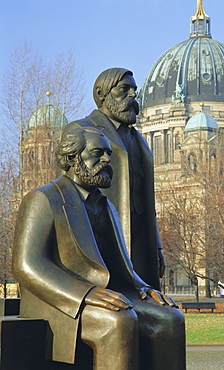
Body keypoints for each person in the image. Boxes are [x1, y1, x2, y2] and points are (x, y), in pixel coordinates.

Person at [12, 127, 185, 370]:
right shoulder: (43, 198)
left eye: (108, 154)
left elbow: (118, 264)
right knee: (118, 322)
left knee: (170, 319)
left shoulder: (106, 206)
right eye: (97, 153)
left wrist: (143, 287)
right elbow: (27, 265)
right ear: (72, 158)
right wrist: (85, 293)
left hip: (102, 295)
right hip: (59, 299)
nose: (106, 160)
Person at [63, 68, 164, 290]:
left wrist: (156, 246)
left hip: (138, 239)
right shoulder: (80, 129)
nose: (133, 95)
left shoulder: (140, 141)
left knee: (148, 308)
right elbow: (67, 192)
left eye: (134, 90)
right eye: (124, 89)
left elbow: (148, 202)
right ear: (102, 94)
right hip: (100, 239)